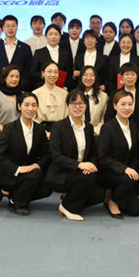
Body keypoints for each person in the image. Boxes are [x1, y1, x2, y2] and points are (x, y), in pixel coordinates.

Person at [46, 90, 106, 221]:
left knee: (100, 194)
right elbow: (56, 156)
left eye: (81, 103)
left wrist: (90, 165)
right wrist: (79, 165)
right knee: (89, 178)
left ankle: (68, 200)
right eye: (73, 103)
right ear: (67, 105)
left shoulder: (88, 127)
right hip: (61, 172)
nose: (77, 107)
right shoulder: (58, 127)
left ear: (86, 105)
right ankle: (68, 208)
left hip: (82, 173)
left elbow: (93, 153)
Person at [0, 92, 53, 216]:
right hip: (10, 173)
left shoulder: (40, 129)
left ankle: (15, 196)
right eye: (27, 105)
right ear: (19, 106)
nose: (30, 108)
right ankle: (17, 202)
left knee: (47, 187)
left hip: (31, 172)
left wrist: (36, 165)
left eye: (34, 105)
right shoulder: (9, 128)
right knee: (34, 176)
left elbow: (47, 154)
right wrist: (18, 169)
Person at [98, 90, 139, 218]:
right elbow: (103, 158)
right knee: (130, 180)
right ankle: (112, 201)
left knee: (135, 210)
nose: (127, 108)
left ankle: (112, 194)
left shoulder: (134, 127)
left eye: (130, 104)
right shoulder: (107, 128)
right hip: (109, 171)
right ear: (115, 106)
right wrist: (125, 169)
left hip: (126, 174)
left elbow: (135, 153)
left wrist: (132, 169)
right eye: (123, 104)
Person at [0, 15, 33, 90]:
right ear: (3, 28)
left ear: (17, 28)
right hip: (1, 88)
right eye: (7, 26)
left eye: (13, 26)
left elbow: (29, 70)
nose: (10, 29)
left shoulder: (25, 48)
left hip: (20, 89)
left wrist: (23, 84)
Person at [29, 24, 74, 90]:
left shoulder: (66, 54)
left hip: (61, 89)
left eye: (56, 34)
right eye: (50, 34)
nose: (53, 37)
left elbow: (69, 74)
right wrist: (45, 75)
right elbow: (32, 73)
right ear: (46, 36)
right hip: (43, 88)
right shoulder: (39, 52)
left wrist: (65, 87)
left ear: (60, 36)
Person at [32, 61, 69, 133]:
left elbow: (67, 115)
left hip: (61, 131)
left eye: (56, 72)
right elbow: (32, 117)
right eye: (49, 71)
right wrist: (43, 132)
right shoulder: (35, 93)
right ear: (43, 73)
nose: (53, 75)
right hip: (40, 130)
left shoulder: (64, 93)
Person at [0, 65, 22, 134]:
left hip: (20, 134)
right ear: (5, 78)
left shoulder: (22, 95)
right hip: (1, 134)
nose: (14, 79)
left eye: (17, 77)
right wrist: (5, 132)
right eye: (11, 76)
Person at [77, 65, 109, 135]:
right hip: (77, 133)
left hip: (96, 134)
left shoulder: (103, 96)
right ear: (81, 77)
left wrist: (95, 131)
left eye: (92, 75)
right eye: (85, 75)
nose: (88, 78)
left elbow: (104, 118)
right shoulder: (74, 95)